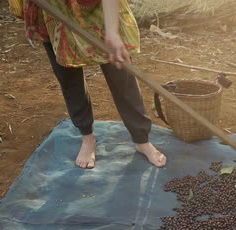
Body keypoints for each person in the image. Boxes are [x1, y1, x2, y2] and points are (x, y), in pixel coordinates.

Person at [9, 0, 167, 169]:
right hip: (53, 9)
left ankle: (141, 139)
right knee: (68, 77)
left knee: (120, 71)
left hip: (97, 8)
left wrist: (112, 33)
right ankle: (87, 136)